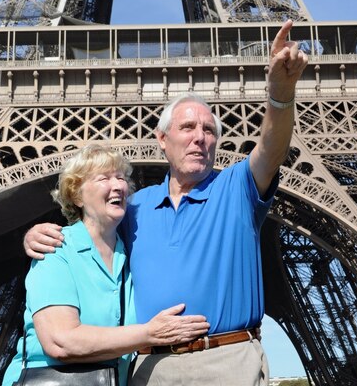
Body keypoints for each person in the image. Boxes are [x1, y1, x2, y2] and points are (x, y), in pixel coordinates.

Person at [24, 20, 309, 385]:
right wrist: (34, 235)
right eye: (188, 128)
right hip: (150, 368)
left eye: (208, 131)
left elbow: (270, 151)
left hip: (228, 362)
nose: (199, 138)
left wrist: (280, 93)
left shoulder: (236, 188)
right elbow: (91, 231)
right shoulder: (135, 208)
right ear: (162, 139)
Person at [3, 145, 209, 386]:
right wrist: (149, 334)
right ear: (77, 196)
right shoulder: (56, 250)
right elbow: (60, 341)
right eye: (104, 178)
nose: (118, 186)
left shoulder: (133, 254)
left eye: (121, 178)